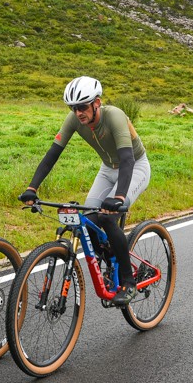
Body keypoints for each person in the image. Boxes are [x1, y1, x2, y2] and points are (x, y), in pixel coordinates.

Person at [18, 76, 151, 307]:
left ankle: (129, 282)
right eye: (73, 108)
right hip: (107, 169)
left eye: (82, 107)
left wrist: (119, 196)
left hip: (135, 166)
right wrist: (32, 187)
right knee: (88, 221)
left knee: (109, 218)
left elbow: (127, 158)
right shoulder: (74, 120)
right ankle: (112, 260)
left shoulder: (115, 116)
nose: (78, 112)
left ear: (96, 102)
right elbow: (52, 154)